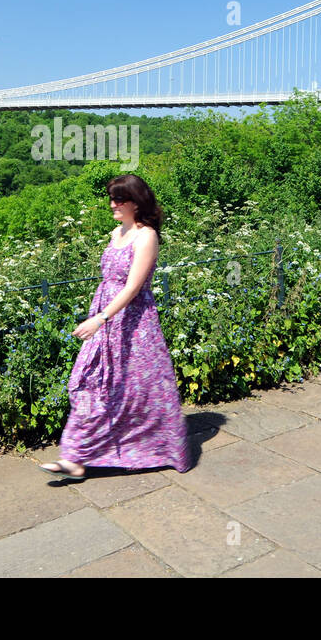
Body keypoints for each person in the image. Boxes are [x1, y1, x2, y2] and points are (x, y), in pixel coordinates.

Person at [39, 174, 192, 480]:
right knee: (87, 382)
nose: (113, 204)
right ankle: (76, 455)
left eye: (119, 199)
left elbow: (133, 287)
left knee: (137, 390)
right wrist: (98, 315)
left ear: (136, 202)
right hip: (107, 319)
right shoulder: (116, 232)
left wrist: (101, 318)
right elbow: (109, 279)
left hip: (133, 324)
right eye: (111, 198)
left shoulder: (146, 236)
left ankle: (99, 455)